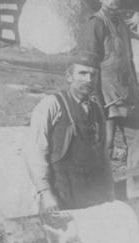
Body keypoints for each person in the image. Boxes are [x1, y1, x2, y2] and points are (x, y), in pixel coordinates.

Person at [78, 0, 139, 198]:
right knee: (104, 145)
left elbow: (129, 60)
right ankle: (98, 195)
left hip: (128, 94)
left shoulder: (121, 24)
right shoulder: (95, 24)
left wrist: (135, 88)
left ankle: (138, 193)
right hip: (105, 95)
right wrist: (93, 98)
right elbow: (88, 63)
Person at [25, 57, 114, 211]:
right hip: (61, 194)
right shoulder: (51, 104)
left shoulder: (97, 110)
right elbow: (35, 151)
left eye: (93, 75)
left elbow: (104, 156)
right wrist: (45, 193)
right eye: (82, 73)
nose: (89, 79)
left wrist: (110, 191)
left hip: (93, 193)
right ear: (69, 77)